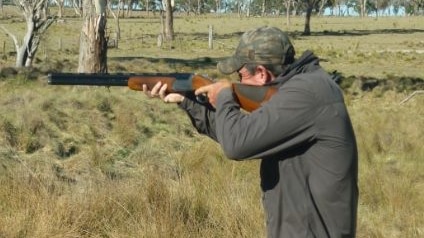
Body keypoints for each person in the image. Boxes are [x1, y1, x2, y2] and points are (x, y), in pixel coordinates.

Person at [143, 26, 358, 238]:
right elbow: (238, 133)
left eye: (240, 75)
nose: (237, 82)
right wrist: (186, 101)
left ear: (262, 74)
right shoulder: (306, 88)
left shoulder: (306, 95)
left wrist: (225, 95)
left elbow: (237, 144)